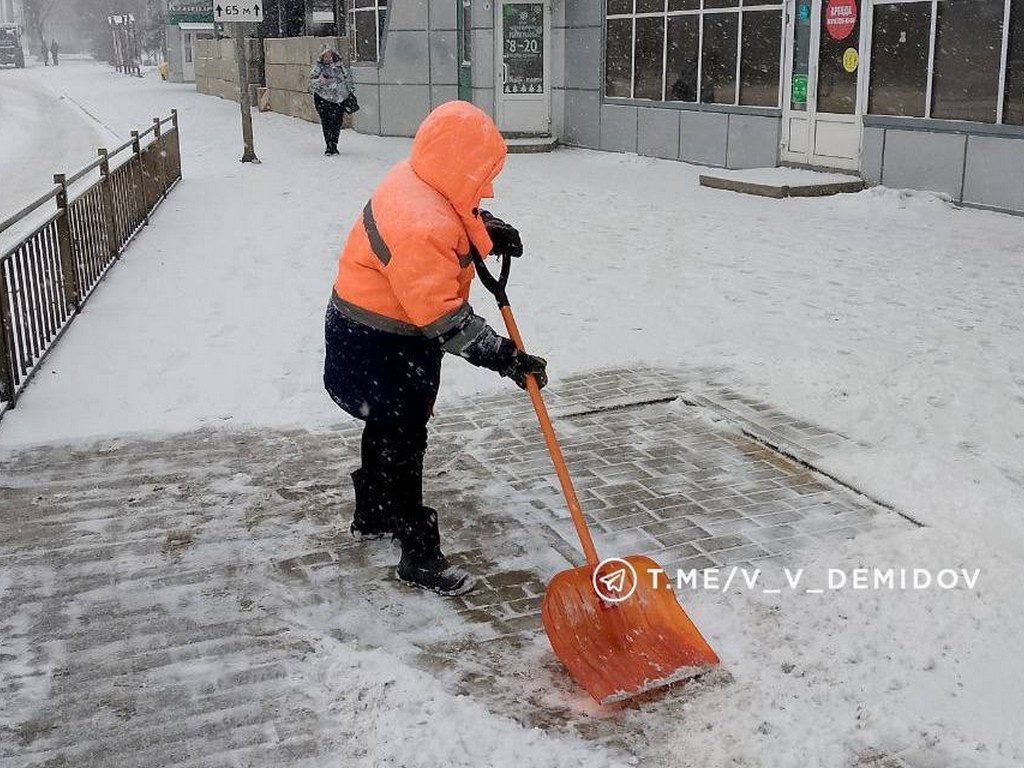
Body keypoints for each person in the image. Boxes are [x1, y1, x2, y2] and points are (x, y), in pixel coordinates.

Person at [323, 101, 548, 596]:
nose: (486, 187)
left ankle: (373, 515)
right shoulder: (419, 224)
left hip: (368, 331)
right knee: (404, 441)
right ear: (455, 162)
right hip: (382, 343)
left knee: (382, 425)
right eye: (482, 174)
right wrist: (506, 357)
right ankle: (418, 554)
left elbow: (453, 209)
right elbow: (446, 318)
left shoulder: (417, 177)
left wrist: (483, 229)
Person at [309, 44, 352, 156]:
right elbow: (311, 83)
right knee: (327, 122)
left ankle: (334, 144)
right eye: (325, 56)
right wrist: (320, 81)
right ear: (322, 57)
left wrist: (348, 91)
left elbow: (347, 79)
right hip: (323, 99)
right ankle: (329, 145)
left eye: (330, 55)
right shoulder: (318, 68)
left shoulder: (340, 66)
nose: (328, 58)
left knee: (337, 123)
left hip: (339, 100)